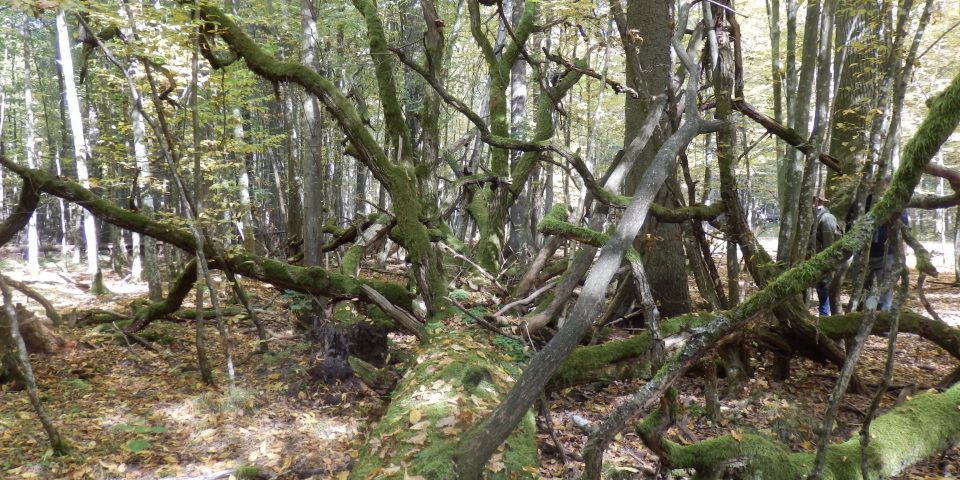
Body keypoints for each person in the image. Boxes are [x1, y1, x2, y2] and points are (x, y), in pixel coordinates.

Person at [862, 179, 909, 311]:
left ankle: (884, 320)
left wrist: (902, 256)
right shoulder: (865, 202)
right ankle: (864, 316)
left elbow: (904, 230)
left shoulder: (896, 203)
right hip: (867, 254)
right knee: (865, 289)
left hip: (887, 254)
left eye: (885, 186)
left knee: (885, 290)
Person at [811, 193, 841, 316]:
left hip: (823, 261)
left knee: (823, 287)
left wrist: (827, 262)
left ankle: (825, 318)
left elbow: (830, 243)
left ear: (818, 201)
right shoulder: (813, 216)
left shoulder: (826, 218)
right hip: (813, 260)